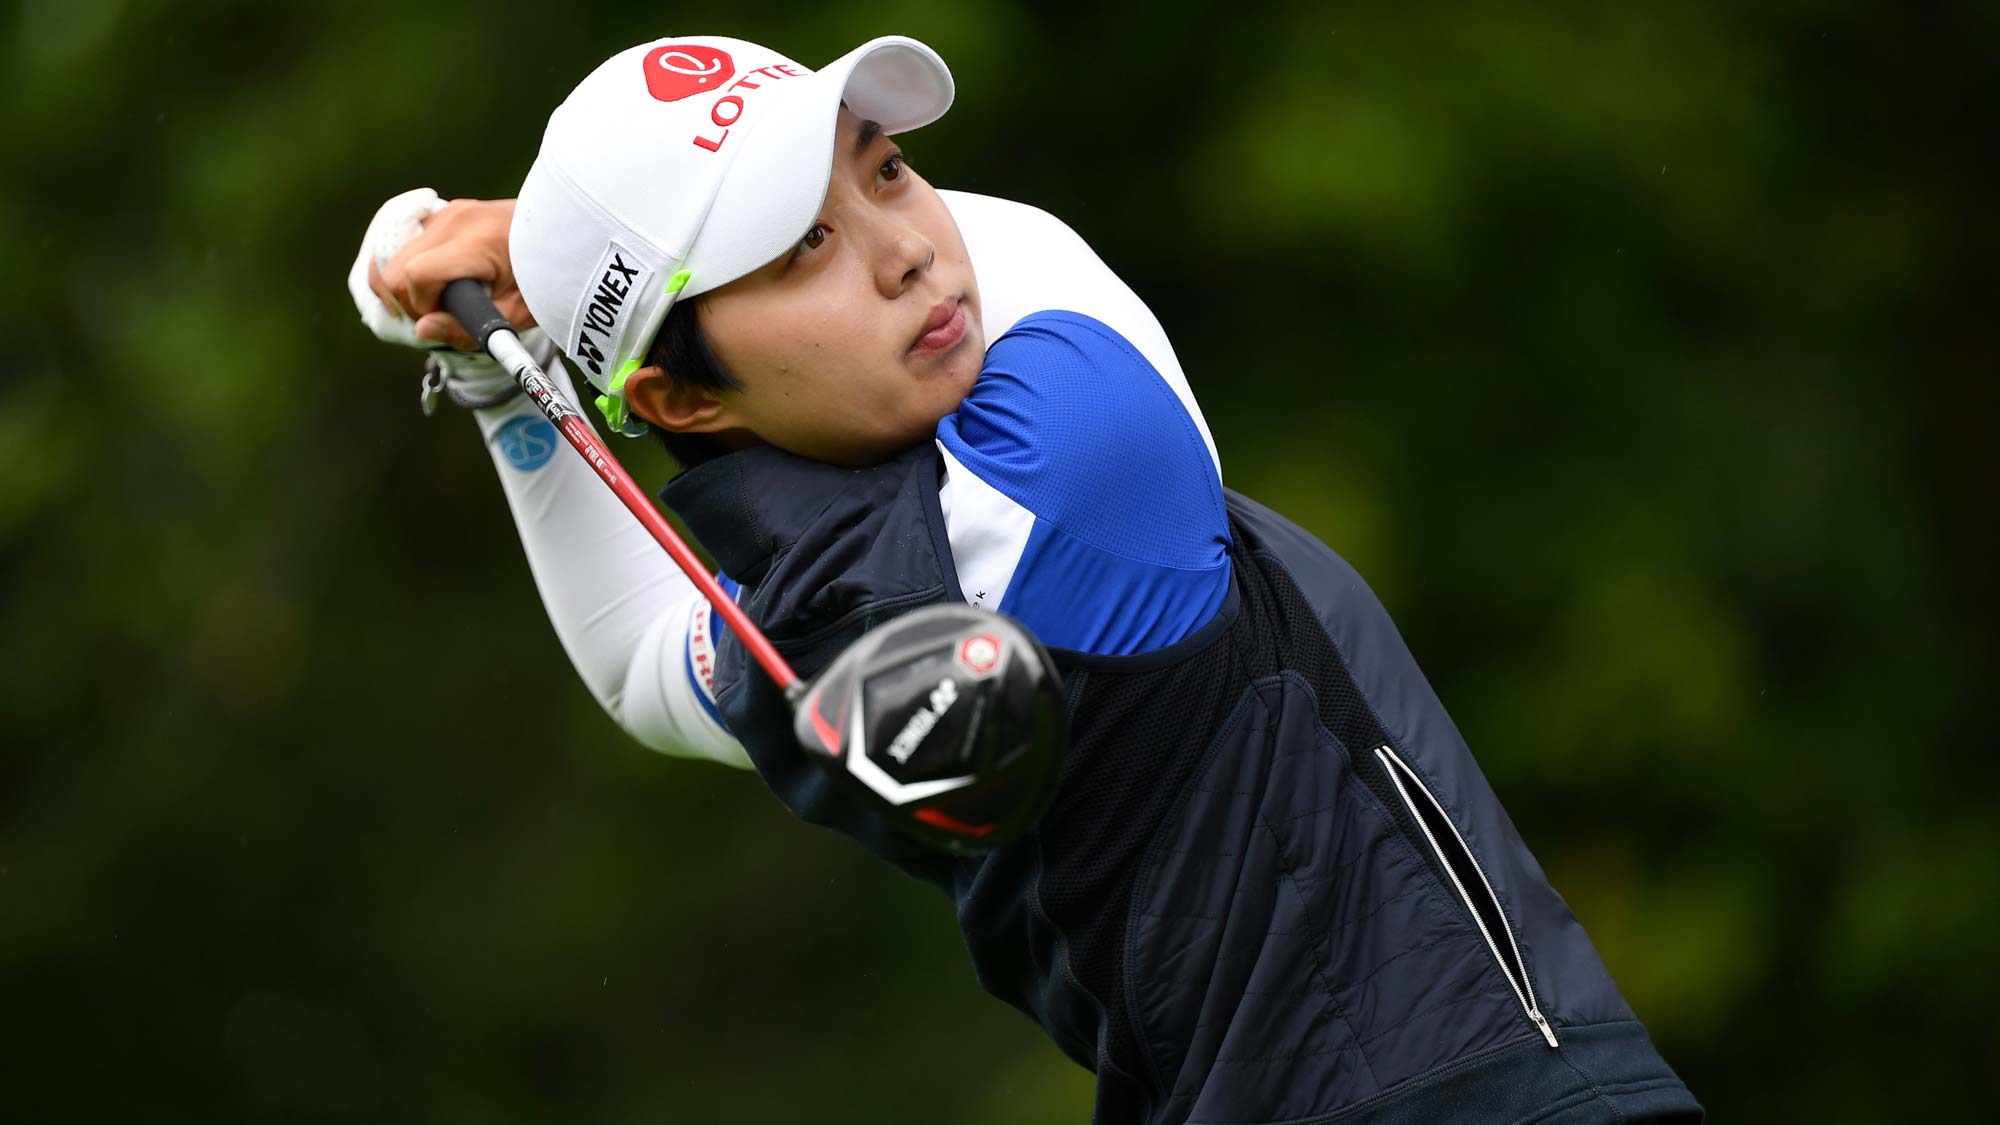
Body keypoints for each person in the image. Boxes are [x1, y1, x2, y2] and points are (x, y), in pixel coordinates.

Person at [352, 33, 1702, 1124]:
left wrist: (500, 386)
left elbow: (641, 661)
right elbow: (1042, 251)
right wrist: (550, 248)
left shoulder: (804, 621)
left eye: (885, 171)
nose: (911, 250)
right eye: (801, 246)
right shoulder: (1062, 468)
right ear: (677, 399)